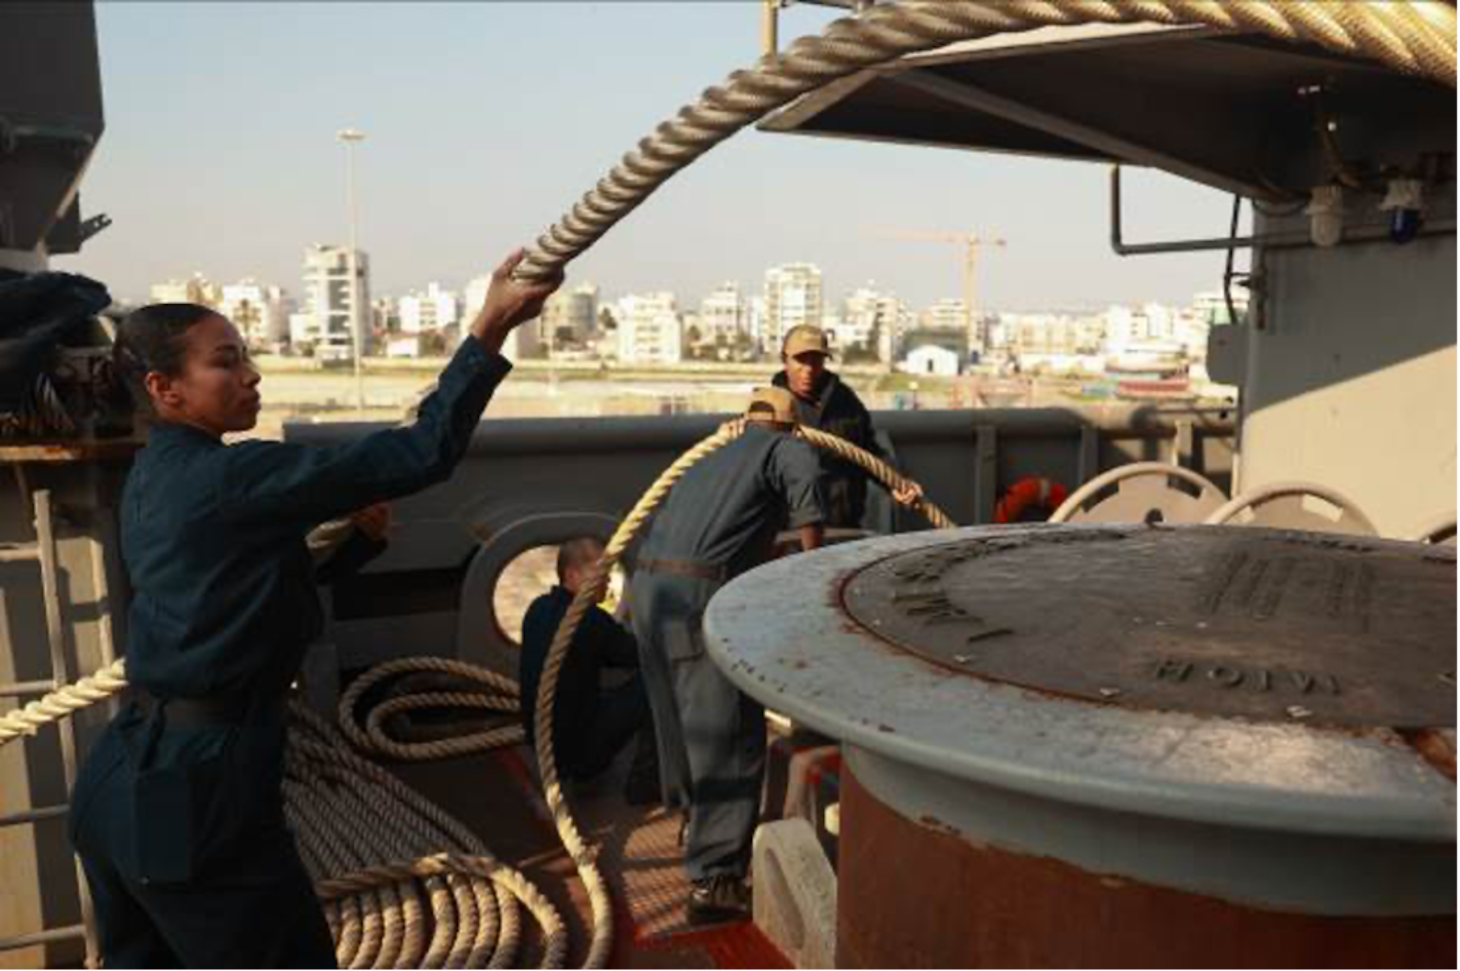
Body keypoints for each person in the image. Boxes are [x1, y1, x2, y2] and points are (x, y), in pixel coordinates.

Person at [66, 249, 560, 970]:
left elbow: (234, 589)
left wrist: (354, 546)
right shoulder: (234, 475)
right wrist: (490, 328)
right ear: (164, 388)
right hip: (200, 794)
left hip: (120, 781)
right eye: (226, 362)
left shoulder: (154, 476)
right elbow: (424, 450)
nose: (251, 375)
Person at [629, 386, 826, 926]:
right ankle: (715, 881)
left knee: (679, 725)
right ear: (789, 426)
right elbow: (807, 500)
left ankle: (696, 826)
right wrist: (817, 576)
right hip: (697, 602)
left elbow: (721, 530)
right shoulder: (785, 446)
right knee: (728, 735)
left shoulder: (711, 451)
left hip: (648, 595)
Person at [518, 537, 658, 804]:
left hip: (542, 747)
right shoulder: (590, 620)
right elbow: (640, 656)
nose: (607, 583)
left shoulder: (536, 609)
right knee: (655, 682)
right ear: (571, 575)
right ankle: (645, 782)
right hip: (577, 756)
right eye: (601, 575)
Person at [771, 324, 921, 529]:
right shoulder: (767, 406)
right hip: (788, 532)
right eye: (801, 360)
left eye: (816, 360)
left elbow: (868, 450)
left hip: (843, 526)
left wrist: (897, 482)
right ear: (784, 359)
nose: (808, 369)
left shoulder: (845, 401)